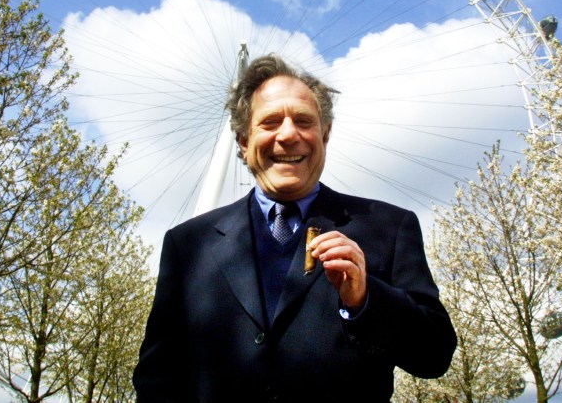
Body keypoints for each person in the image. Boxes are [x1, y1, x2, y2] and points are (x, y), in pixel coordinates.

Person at [133, 54, 456, 402]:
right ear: (242, 140)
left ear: (325, 134)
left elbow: (434, 356)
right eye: (270, 122)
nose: (288, 135)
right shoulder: (188, 244)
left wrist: (365, 299)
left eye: (303, 120)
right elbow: (158, 376)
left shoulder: (390, 227)